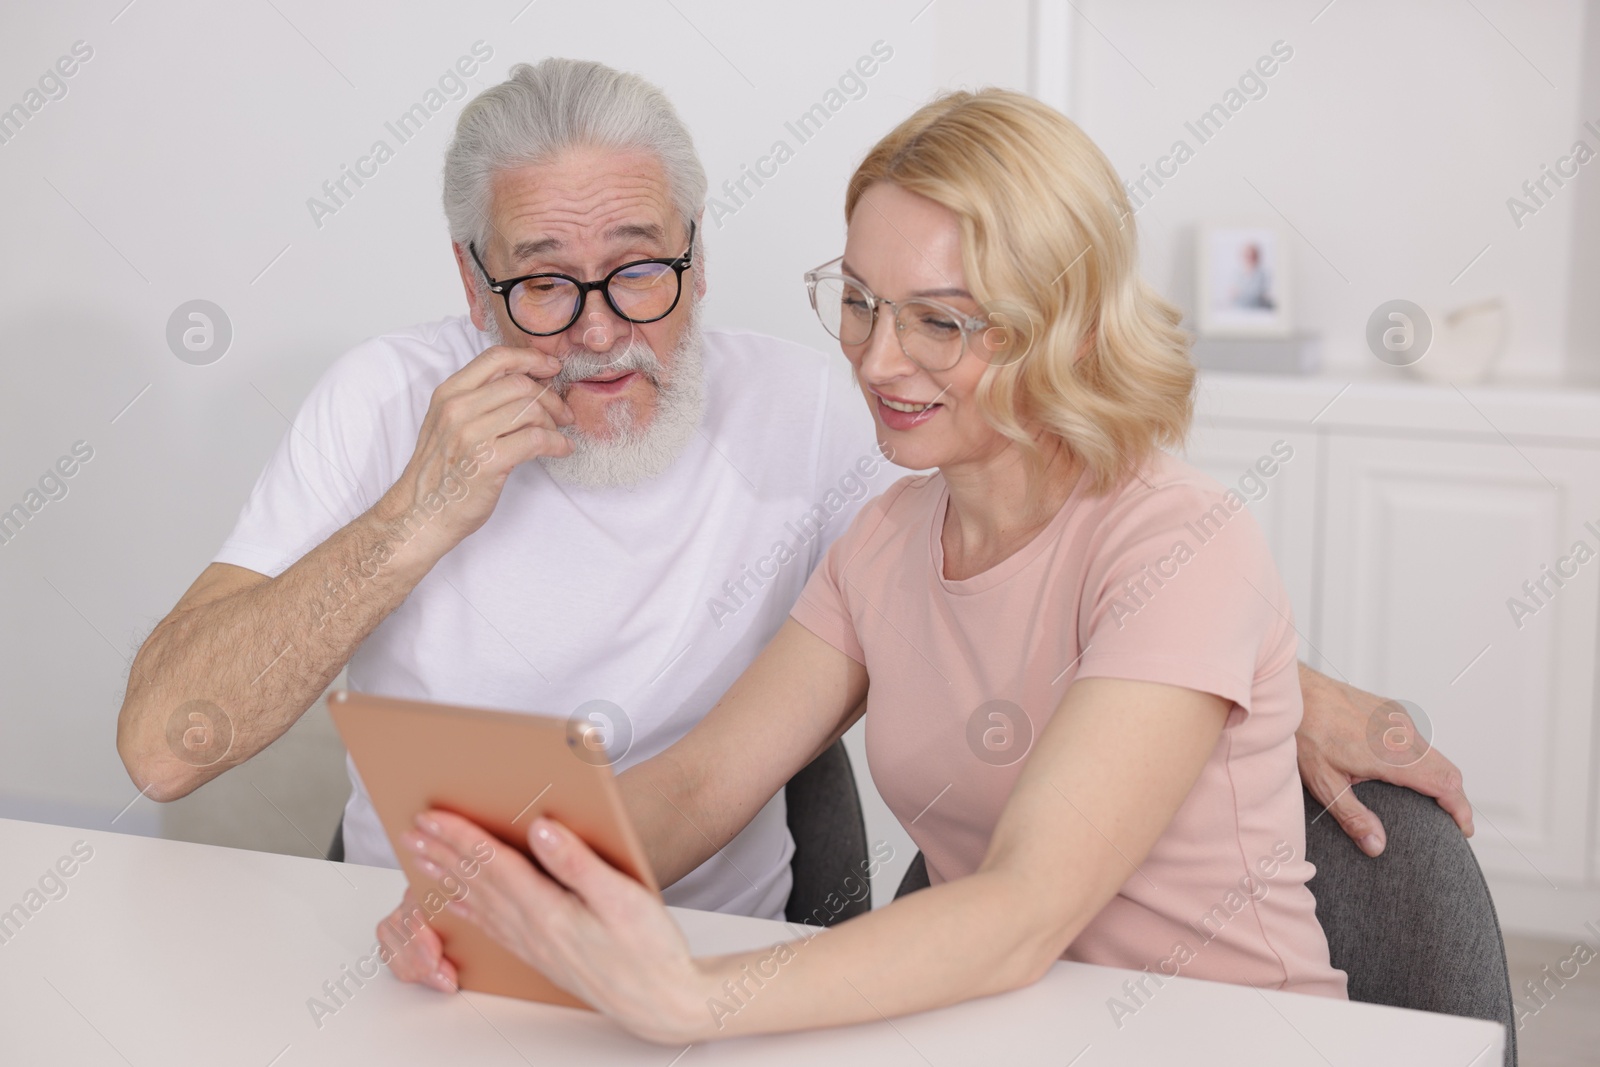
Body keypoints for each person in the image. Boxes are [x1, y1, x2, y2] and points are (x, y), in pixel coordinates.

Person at [113, 59, 1467, 954]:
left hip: (712, 944)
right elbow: (161, 749)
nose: (597, 332)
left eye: (640, 269)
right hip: (429, 928)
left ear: (701, 264)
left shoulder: (828, 414)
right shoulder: (380, 399)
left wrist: (1274, 677)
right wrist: (419, 511)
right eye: (541, 283)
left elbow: (1048, 558)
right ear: (473, 286)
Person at [392, 87, 1368, 1043]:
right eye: (858, 301)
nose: (877, 359)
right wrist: (475, 890)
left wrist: (696, 995)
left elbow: (1022, 906)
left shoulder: (1178, 540)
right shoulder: (886, 539)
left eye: (939, 322)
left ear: (1058, 321)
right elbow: (698, 785)